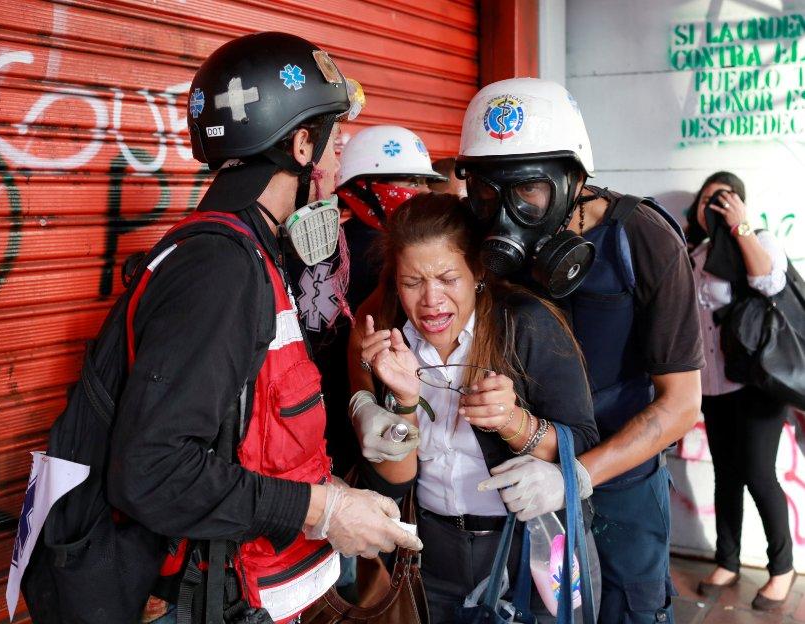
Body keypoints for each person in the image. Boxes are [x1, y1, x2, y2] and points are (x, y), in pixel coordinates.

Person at [106, 32, 421, 624]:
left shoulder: (256, 245)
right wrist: (322, 511)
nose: (337, 158)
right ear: (302, 144)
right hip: (226, 600)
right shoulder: (222, 267)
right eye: (332, 139)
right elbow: (153, 470)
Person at [449, 78, 705, 623]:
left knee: (628, 609)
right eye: (487, 193)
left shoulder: (644, 238)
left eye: (527, 191)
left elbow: (682, 404)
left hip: (620, 483)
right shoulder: (477, 237)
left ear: (574, 177)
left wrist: (578, 475)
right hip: (513, 480)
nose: (504, 215)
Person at [352, 192, 599, 623]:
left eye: (448, 278)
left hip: (530, 550)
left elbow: (582, 440)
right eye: (413, 282)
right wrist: (405, 402)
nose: (431, 300)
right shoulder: (390, 337)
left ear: (477, 272)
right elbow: (393, 484)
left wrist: (515, 423)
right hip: (431, 556)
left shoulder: (527, 324)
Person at [286, 125, 445, 478]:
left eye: (425, 183)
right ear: (361, 188)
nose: (421, 193)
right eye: (408, 181)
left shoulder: (300, 249)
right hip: (381, 438)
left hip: (318, 432)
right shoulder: (395, 260)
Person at [686, 171, 795, 610]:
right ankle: (727, 561)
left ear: (739, 204)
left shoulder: (760, 239)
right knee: (726, 475)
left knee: (758, 474)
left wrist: (741, 225)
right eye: (706, 200)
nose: (712, 207)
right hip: (712, 386)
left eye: (723, 199)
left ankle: (782, 569)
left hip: (754, 386)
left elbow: (770, 282)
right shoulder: (695, 253)